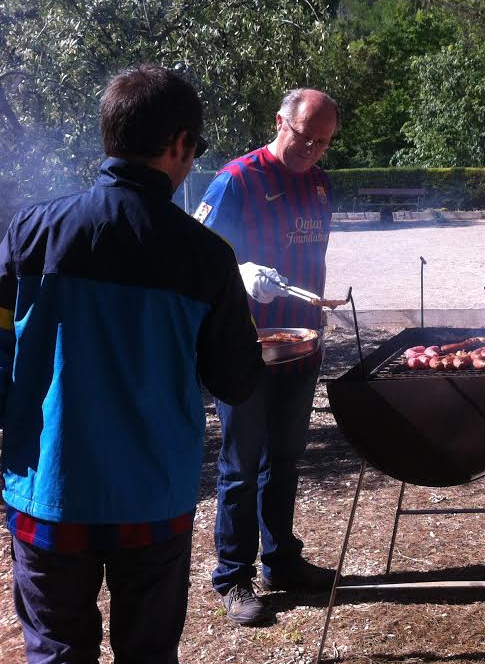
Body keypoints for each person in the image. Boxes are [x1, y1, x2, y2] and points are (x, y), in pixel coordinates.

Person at [0, 64, 265, 664]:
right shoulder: (206, 256)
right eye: (193, 150)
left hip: (49, 492)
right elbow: (235, 379)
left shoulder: (30, 233)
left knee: (57, 652)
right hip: (151, 501)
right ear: (178, 144)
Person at [195, 88, 339, 626]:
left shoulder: (322, 184)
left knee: (285, 458)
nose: (311, 150)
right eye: (304, 136)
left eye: (322, 143)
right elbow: (193, 252)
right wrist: (238, 273)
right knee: (240, 465)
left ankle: (281, 560)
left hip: (301, 346)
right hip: (244, 349)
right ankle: (232, 577)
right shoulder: (237, 180)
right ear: (280, 122)